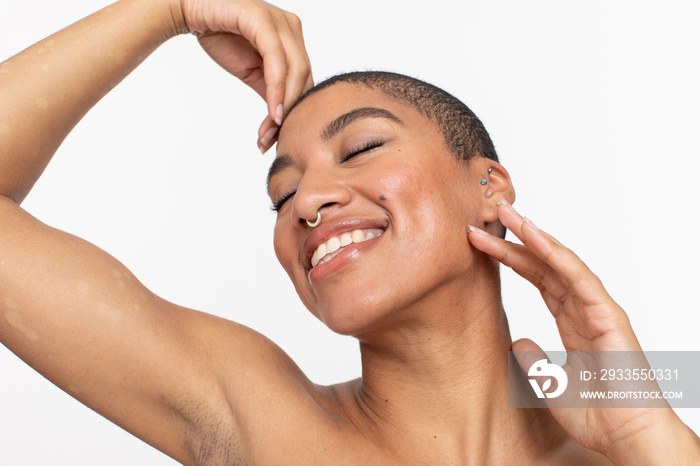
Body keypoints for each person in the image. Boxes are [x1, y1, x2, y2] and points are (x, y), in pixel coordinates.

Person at [1, 0, 698, 464]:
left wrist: (652, 436)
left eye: (361, 149)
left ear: (489, 187)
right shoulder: (257, 417)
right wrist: (170, 8)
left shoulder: (642, 419)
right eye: (282, 194)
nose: (308, 204)